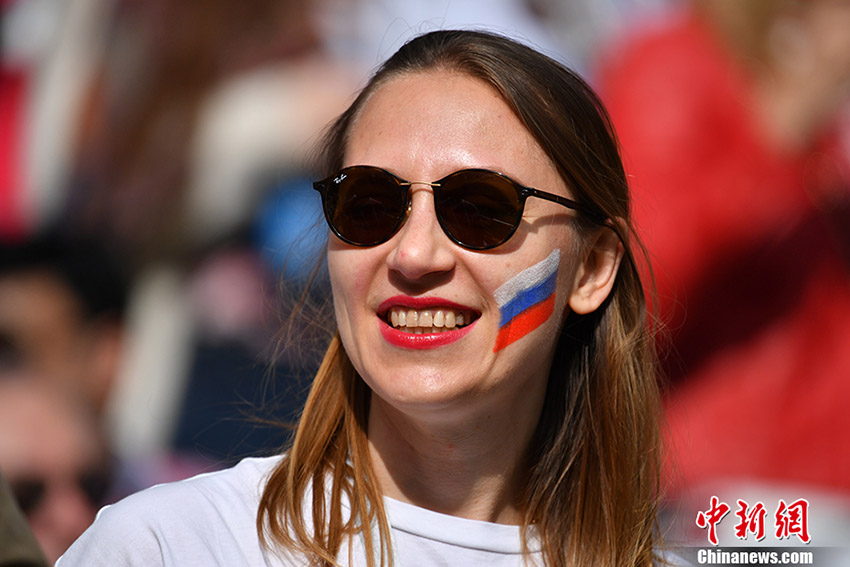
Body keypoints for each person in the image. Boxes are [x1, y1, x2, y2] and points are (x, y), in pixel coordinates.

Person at [59, 29, 662, 567]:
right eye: (370, 205)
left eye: (481, 209)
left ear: (592, 267)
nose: (413, 254)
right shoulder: (171, 547)